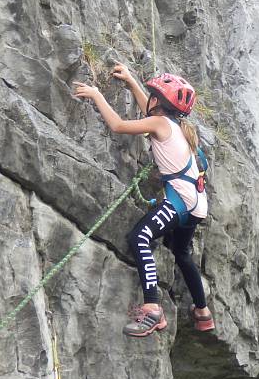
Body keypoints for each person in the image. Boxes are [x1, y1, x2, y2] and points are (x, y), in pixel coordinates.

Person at [73, 63, 215, 337]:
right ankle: (203, 312)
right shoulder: (176, 126)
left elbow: (118, 125)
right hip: (196, 203)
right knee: (182, 253)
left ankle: (152, 309)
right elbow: (148, 113)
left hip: (180, 202)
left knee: (140, 237)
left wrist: (96, 94)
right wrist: (130, 81)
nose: (148, 99)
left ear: (158, 103)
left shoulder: (160, 123)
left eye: (152, 96)